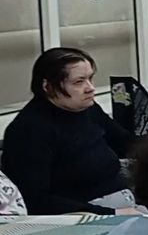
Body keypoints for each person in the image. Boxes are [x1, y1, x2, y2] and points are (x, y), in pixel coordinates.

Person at [1, 48, 138, 215]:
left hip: (124, 199)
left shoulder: (85, 108)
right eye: (79, 82)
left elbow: (123, 142)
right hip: (84, 214)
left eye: (90, 78)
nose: (90, 88)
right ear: (48, 87)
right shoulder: (29, 131)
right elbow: (36, 200)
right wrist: (111, 213)